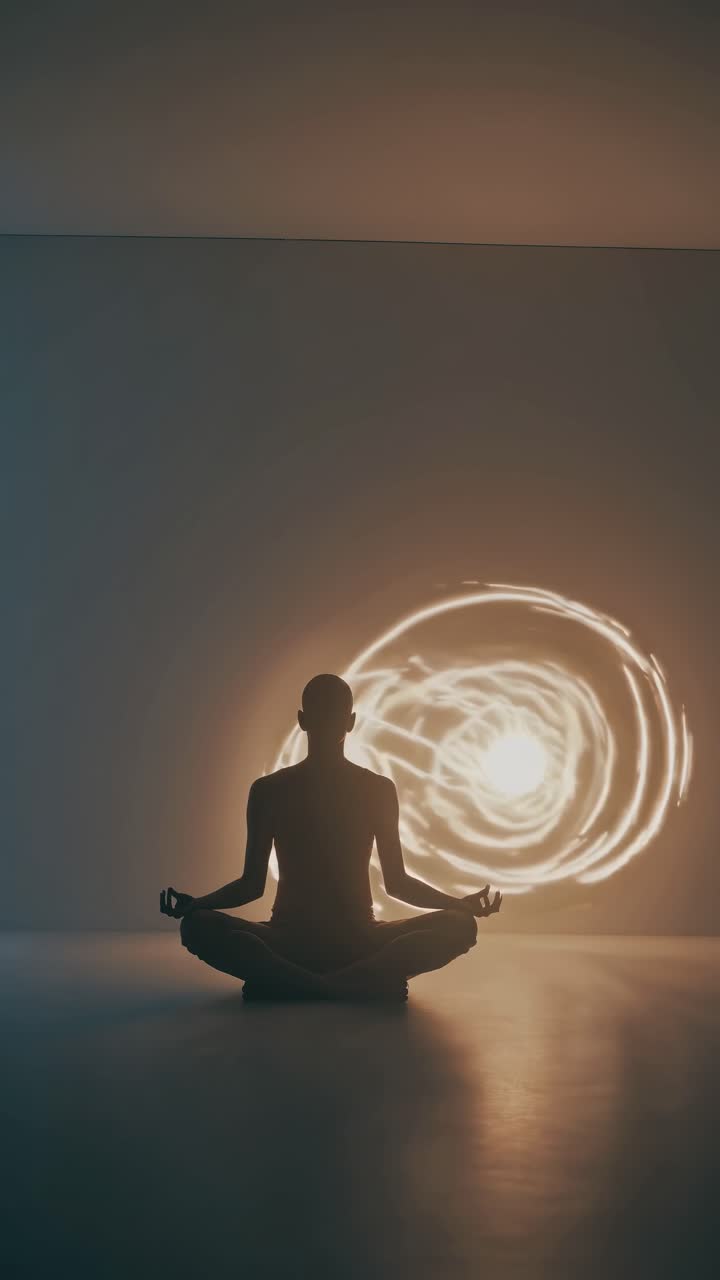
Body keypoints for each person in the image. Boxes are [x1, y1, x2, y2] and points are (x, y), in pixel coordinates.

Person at [160, 673, 502, 1001]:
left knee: (459, 925)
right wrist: (197, 906)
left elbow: (253, 885)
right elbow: (253, 885)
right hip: (310, 939)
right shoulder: (277, 790)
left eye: (331, 715)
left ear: (304, 720)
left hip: (337, 939)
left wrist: (459, 906)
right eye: (324, 714)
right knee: (196, 925)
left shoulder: (298, 790)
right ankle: (354, 983)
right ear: (345, 721)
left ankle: (291, 982)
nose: (327, 723)